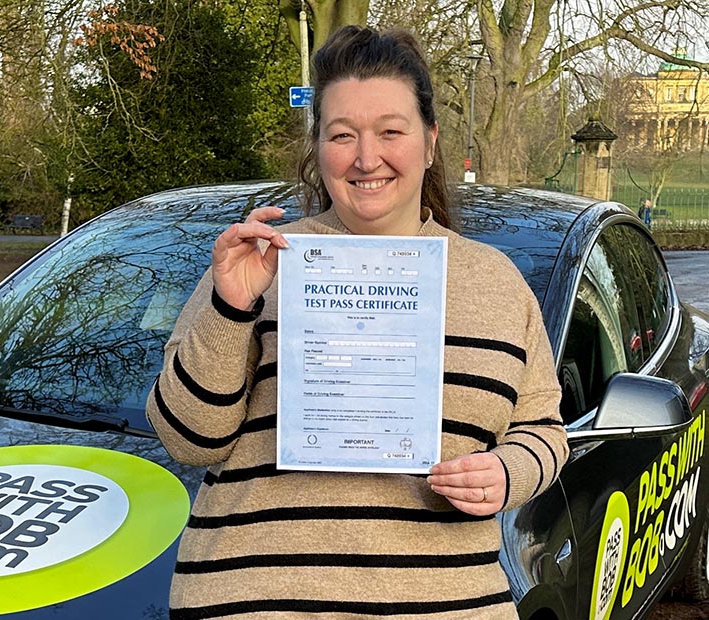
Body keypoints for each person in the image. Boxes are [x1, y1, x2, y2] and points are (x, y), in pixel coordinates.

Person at [147, 25, 567, 620]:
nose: (367, 158)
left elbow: (544, 430)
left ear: (429, 140)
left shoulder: (496, 282)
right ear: (318, 147)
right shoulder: (259, 260)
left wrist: (507, 471)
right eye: (343, 135)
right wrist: (229, 307)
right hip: (255, 602)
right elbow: (186, 439)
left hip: (443, 605)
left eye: (390, 132)